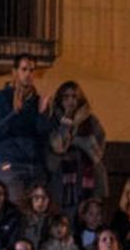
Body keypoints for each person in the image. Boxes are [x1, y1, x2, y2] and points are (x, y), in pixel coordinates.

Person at [0, 53, 52, 202]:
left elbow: (43, 136)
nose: (28, 74)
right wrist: (14, 113)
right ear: (14, 72)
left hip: (35, 166)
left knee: (36, 213)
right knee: (16, 208)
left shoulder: (38, 101)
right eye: (24, 69)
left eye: (32, 70)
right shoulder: (0, 98)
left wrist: (42, 114)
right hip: (11, 164)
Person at [46, 81, 108, 214]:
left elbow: (98, 149)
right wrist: (66, 124)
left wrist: (77, 142)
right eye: (66, 97)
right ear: (60, 100)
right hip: (62, 179)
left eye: (74, 97)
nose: (70, 101)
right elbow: (58, 147)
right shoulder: (54, 121)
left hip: (87, 177)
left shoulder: (91, 121)